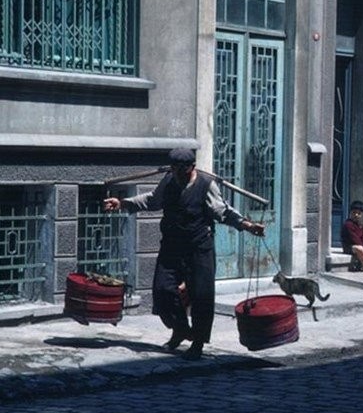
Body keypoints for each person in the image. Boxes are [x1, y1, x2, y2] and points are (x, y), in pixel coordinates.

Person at [102, 148, 266, 360]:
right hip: (172, 246)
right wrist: (123, 203)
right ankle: (180, 329)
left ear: (192, 167)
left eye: (183, 170)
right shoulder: (169, 181)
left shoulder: (206, 185)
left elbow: (222, 212)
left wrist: (247, 225)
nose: (179, 174)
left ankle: (197, 343)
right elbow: (152, 200)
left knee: (201, 297)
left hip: (199, 248)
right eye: (175, 169)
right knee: (162, 290)